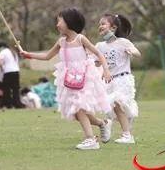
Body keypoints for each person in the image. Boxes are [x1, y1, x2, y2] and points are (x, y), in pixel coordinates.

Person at [20, 8, 112, 150]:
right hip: (68, 79)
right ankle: (102, 123)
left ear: (69, 22)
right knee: (76, 113)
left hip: (84, 77)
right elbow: (47, 56)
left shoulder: (80, 39)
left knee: (79, 109)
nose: (57, 24)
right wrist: (28, 54)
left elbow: (99, 54)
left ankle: (90, 140)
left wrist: (105, 70)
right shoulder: (61, 42)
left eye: (60, 21)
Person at [95, 13, 141, 144]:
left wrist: (132, 52)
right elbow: (96, 62)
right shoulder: (100, 46)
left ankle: (127, 135)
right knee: (117, 109)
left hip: (123, 80)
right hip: (109, 82)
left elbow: (137, 52)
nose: (100, 26)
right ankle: (124, 130)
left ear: (113, 27)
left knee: (117, 104)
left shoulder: (123, 42)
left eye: (103, 23)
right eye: (99, 24)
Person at [0, 42, 24, 109]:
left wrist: (0, 69)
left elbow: (0, 63)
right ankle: (17, 104)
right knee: (16, 89)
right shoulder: (13, 52)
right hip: (16, 71)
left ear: (0, 47)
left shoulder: (2, 52)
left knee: (6, 89)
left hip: (8, 72)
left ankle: (8, 104)